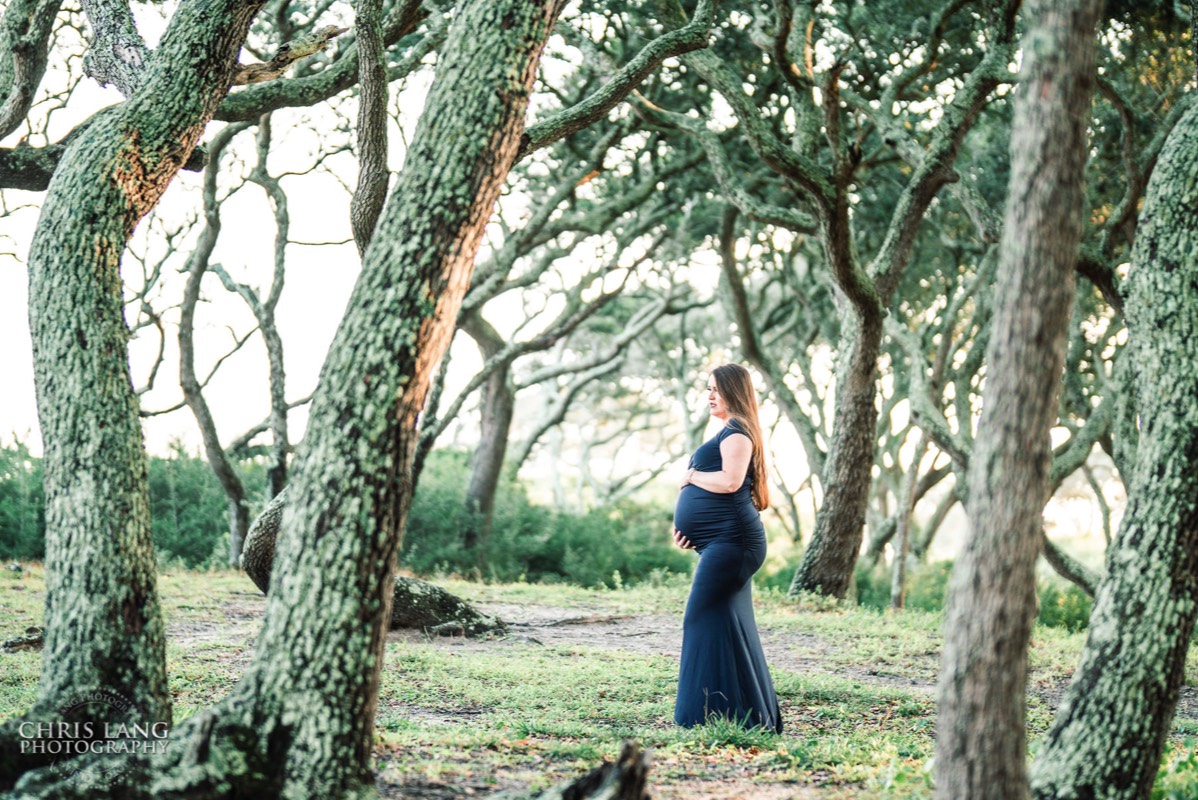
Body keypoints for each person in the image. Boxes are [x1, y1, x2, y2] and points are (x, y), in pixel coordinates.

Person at [672, 363, 783, 733]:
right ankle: (743, 715)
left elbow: (731, 482)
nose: (709, 396)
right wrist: (694, 533)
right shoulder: (732, 431)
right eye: (707, 389)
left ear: (733, 392)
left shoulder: (736, 432)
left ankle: (699, 717)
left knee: (699, 618)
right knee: (728, 624)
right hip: (722, 543)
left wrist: (690, 477)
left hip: (733, 543)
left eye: (715, 389)